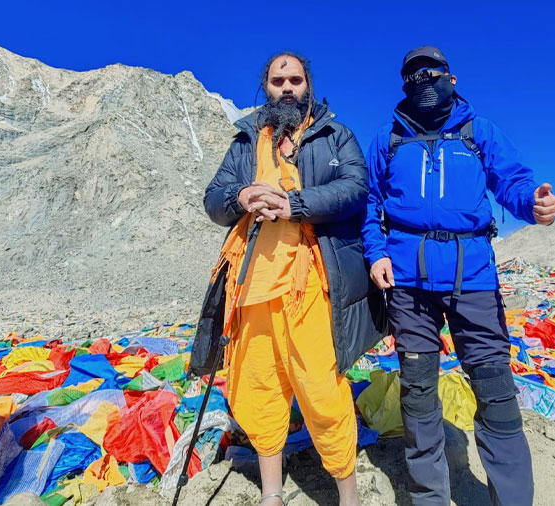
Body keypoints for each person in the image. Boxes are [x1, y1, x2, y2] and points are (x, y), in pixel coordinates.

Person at [363, 46, 555, 506]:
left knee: (494, 386)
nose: (423, 79)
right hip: (408, 282)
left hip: (474, 277)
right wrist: (375, 254)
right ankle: (429, 497)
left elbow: (511, 180)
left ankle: (512, 499)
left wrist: (532, 202)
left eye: (433, 71)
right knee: (418, 390)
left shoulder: (478, 131)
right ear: (404, 83)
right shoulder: (386, 140)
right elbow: (371, 204)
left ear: (451, 77)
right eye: (413, 73)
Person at [196, 52, 386, 506]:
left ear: (308, 85)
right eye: (278, 79)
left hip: (311, 283)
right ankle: (273, 493)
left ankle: (348, 494)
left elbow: (356, 189)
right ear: (266, 85)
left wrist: (294, 203)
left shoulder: (334, 134)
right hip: (253, 285)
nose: (287, 87)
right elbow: (214, 199)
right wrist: (241, 195)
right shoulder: (245, 141)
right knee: (259, 383)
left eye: (295, 79)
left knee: (322, 388)